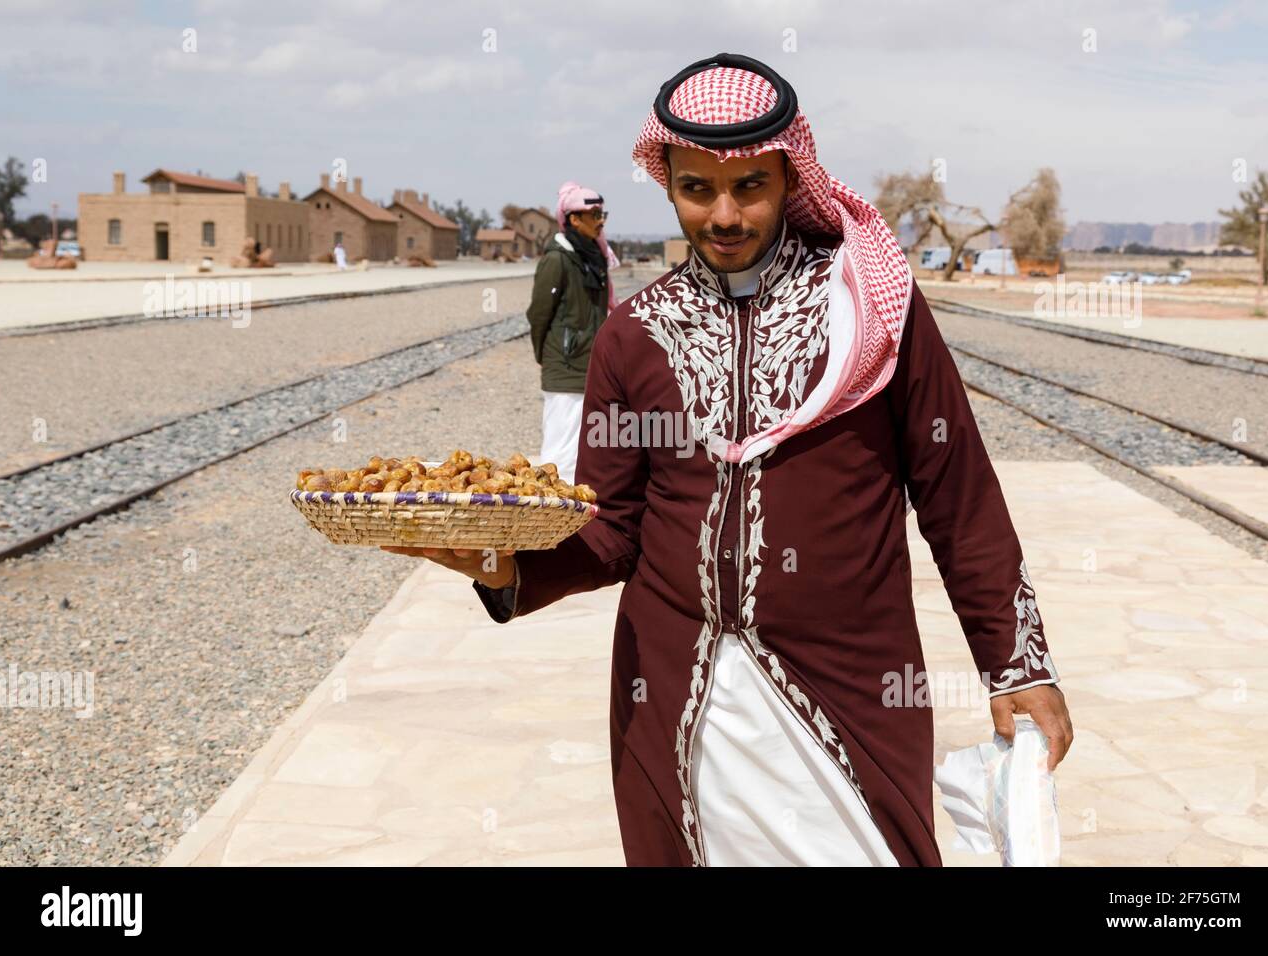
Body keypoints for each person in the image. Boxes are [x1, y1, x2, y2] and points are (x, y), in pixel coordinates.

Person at [385, 53, 1073, 866]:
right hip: (679, 698)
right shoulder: (633, 335)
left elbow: (957, 496)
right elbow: (615, 532)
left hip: (848, 686)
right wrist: (503, 565)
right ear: (666, 182)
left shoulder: (870, 310)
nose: (724, 214)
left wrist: (1014, 659)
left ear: (789, 178)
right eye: (696, 189)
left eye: (749, 186)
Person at [525, 182, 618, 484]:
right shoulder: (558, 259)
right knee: (560, 452)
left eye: (602, 213)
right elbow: (539, 314)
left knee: (588, 446)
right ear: (574, 219)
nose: (600, 220)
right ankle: (552, 520)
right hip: (566, 366)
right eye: (593, 214)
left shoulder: (594, 257)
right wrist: (550, 356)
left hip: (590, 365)